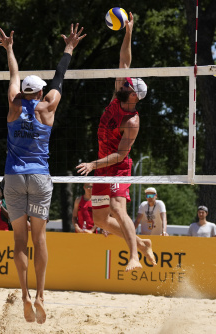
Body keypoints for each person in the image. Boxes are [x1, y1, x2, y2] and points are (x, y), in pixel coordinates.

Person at [0, 23, 86, 324]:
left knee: (19, 241)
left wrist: (9, 48)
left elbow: (13, 76)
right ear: (42, 92)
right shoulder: (48, 107)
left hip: (13, 177)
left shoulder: (13, 104)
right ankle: (41, 296)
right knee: (39, 238)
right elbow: (60, 76)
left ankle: (23, 296)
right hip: (39, 177)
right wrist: (69, 48)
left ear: (24, 92)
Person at [75, 13, 155, 272]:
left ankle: (134, 256)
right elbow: (124, 60)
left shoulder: (132, 121)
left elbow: (120, 156)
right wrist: (128, 32)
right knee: (100, 219)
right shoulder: (117, 95)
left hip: (117, 166)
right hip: (100, 164)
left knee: (119, 209)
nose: (124, 84)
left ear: (135, 96)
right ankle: (143, 244)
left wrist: (93, 163)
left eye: (129, 86)